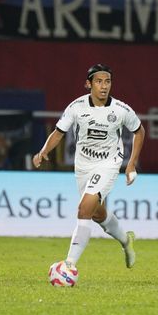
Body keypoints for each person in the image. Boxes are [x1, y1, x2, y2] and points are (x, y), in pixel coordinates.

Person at [33, 63, 145, 271]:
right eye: (99, 81)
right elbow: (58, 132)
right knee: (96, 213)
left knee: (84, 208)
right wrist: (43, 151)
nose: (104, 86)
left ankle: (69, 265)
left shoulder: (121, 110)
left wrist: (131, 164)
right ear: (88, 84)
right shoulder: (76, 107)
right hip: (83, 166)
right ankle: (125, 241)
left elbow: (139, 131)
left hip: (109, 163)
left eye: (108, 81)